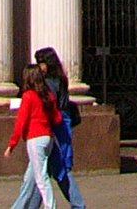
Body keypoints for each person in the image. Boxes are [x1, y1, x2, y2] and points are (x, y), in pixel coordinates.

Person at [35, 46, 87, 209]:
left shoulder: (49, 82)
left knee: (56, 169)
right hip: (62, 123)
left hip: (55, 124)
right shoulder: (60, 78)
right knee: (46, 170)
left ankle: (78, 205)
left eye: (41, 63)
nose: (39, 67)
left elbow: (49, 105)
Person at [5, 62, 61, 209]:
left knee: (41, 179)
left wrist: (12, 145)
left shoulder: (28, 96)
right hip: (48, 138)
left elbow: (20, 122)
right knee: (29, 179)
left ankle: (51, 206)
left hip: (35, 139)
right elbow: (57, 118)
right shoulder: (47, 95)